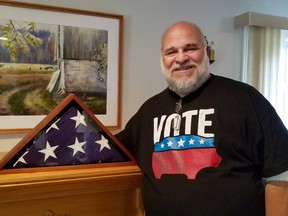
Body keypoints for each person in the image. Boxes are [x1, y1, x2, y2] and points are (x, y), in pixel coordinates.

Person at [116, 21, 288, 216]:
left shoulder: (246, 99)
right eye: (171, 52)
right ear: (162, 58)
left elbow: (281, 173)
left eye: (190, 48)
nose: (181, 58)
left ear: (206, 51)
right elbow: (110, 150)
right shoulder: (148, 111)